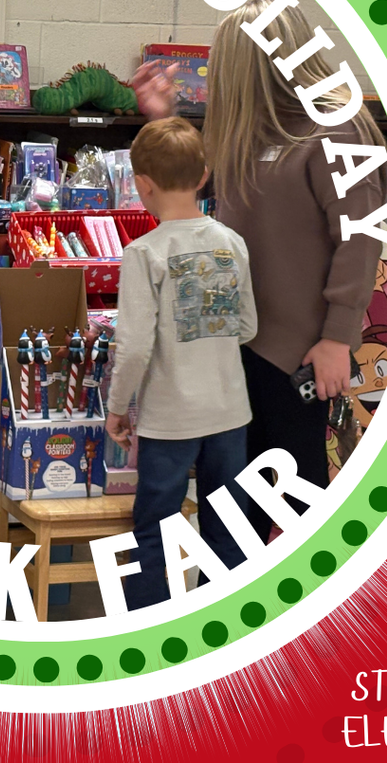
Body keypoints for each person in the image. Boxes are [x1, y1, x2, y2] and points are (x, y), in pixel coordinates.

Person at [130, 0, 387, 542]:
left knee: (296, 501)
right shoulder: (255, 131)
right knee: (232, 509)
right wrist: (166, 120)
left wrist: (338, 338)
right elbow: (198, 194)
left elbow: (361, 240)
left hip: (296, 354)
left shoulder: (338, 130)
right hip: (238, 345)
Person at [105, 117, 257, 610]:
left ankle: (147, 629)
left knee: (156, 531)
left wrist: (117, 407)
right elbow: (248, 326)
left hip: (170, 418)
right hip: (229, 411)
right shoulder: (232, 242)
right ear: (204, 176)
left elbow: (133, 346)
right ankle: (225, 632)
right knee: (228, 529)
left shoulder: (144, 252)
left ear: (141, 184)